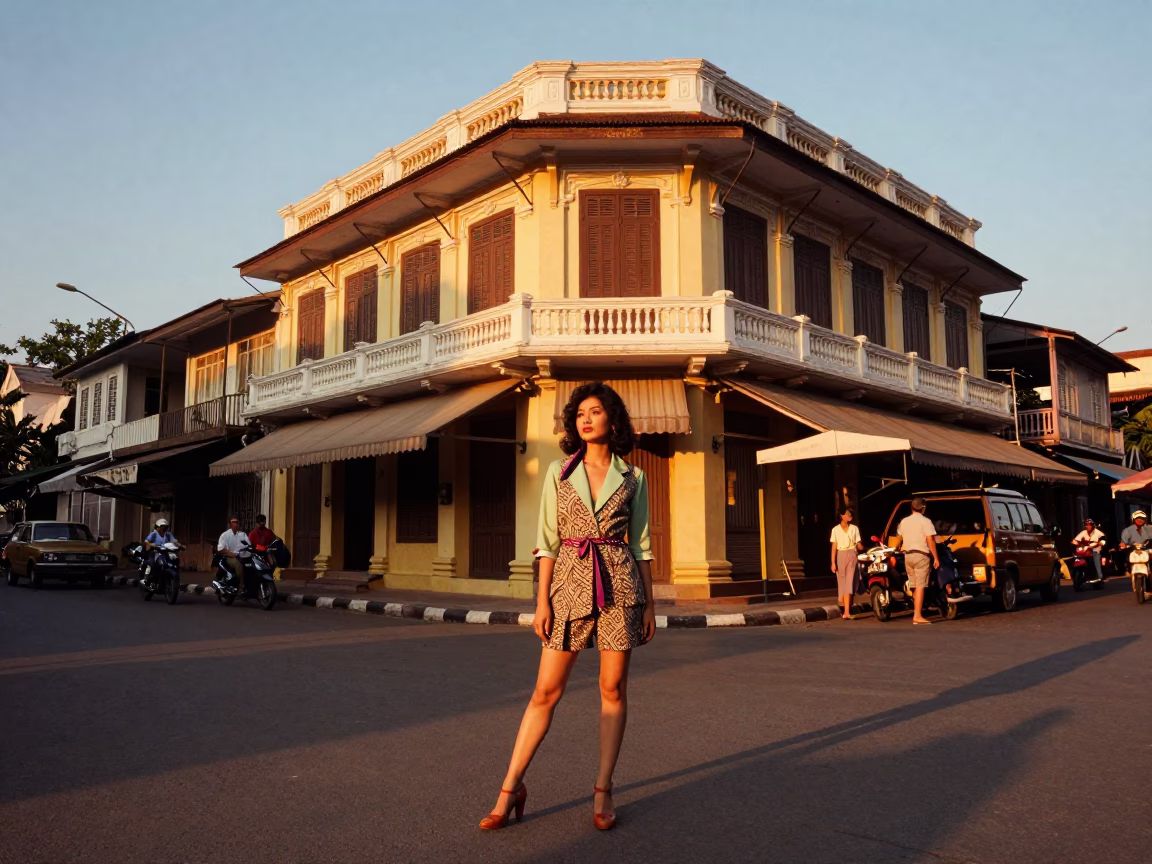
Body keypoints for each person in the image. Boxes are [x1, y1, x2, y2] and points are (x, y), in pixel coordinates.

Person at [480, 382, 655, 832]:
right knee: (545, 691)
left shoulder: (634, 477)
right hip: (569, 587)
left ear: (612, 421)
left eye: (595, 411)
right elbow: (547, 542)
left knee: (613, 689)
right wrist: (541, 602)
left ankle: (603, 788)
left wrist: (650, 604)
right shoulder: (559, 471)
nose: (585, 418)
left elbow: (641, 545)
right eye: (579, 413)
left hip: (620, 585)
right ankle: (510, 787)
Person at [894, 497, 940, 625]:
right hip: (921, 555)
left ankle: (917, 611)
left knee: (914, 585)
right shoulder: (925, 521)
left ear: (912, 507)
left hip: (908, 556)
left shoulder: (904, 521)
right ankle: (917, 616)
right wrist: (936, 557)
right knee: (920, 585)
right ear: (923, 507)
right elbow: (930, 540)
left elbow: (899, 538)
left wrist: (896, 548)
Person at [829, 506, 863, 620]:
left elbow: (858, 543)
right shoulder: (835, 530)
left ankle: (847, 612)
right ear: (842, 516)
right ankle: (845, 608)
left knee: (849, 582)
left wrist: (862, 547)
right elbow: (834, 547)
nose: (850, 517)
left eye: (851, 515)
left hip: (852, 555)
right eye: (848, 514)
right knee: (842, 584)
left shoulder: (854, 528)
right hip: (840, 555)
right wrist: (833, 562)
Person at [217, 516, 250, 591]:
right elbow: (221, 549)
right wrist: (231, 553)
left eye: (237, 522)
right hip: (229, 557)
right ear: (229, 524)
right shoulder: (225, 535)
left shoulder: (243, 534)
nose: (236, 524)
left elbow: (249, 545)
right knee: (238, 565)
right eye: (234, 522)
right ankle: (241, 585)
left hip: (243, 556)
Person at [1072, 518, 1106, 582]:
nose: (1088, 526)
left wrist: (1097, 544)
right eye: (1087, 525)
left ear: (1093, 525)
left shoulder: (1099, 533)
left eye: (1090, 525)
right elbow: (1075, 540)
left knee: (1096, 558)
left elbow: (1103, 541)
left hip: (1095, 551)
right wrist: (1077, 543)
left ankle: (1099, 577)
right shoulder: (1083, 532)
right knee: (1077, 557)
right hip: (1085, 552)